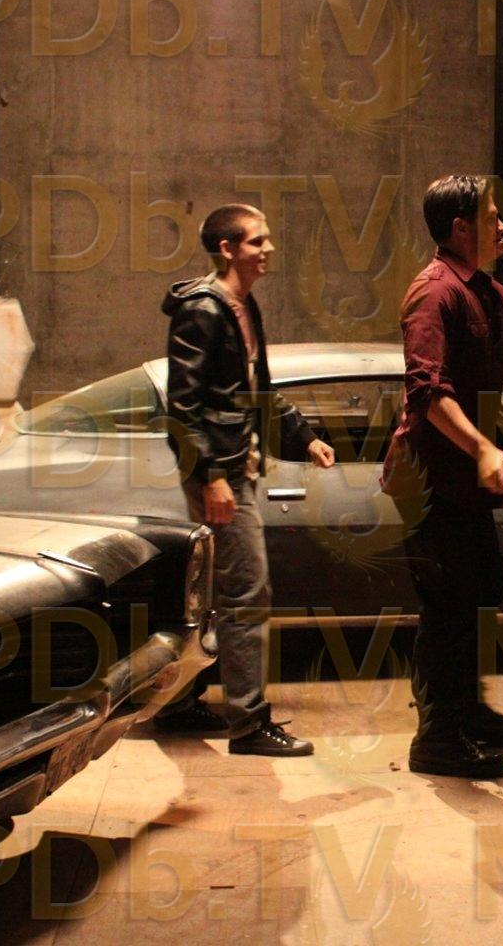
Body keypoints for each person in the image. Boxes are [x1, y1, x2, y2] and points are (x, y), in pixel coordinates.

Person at [158, 203, 335, 756]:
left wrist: (303, 436)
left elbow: (257, 390)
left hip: (238, 464)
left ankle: (179, 703)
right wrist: (211, 477)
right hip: (224, 472)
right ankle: (250, 726)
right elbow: (182, 408)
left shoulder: (241, 305)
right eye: (258, 241)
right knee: (247, 596)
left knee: (212, 595)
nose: (268, 249)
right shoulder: (203, 311)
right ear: (228, 249)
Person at [382, 175, 503, 779]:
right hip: (429, 479)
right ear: (461, 227)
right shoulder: (434, 293)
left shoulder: (485, 290)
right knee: (447, 606)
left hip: (461, 479)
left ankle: (467, 710)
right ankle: (438, 739)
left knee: (479, 589)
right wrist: (483, 449)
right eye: (493, 217)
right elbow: (427, 393)